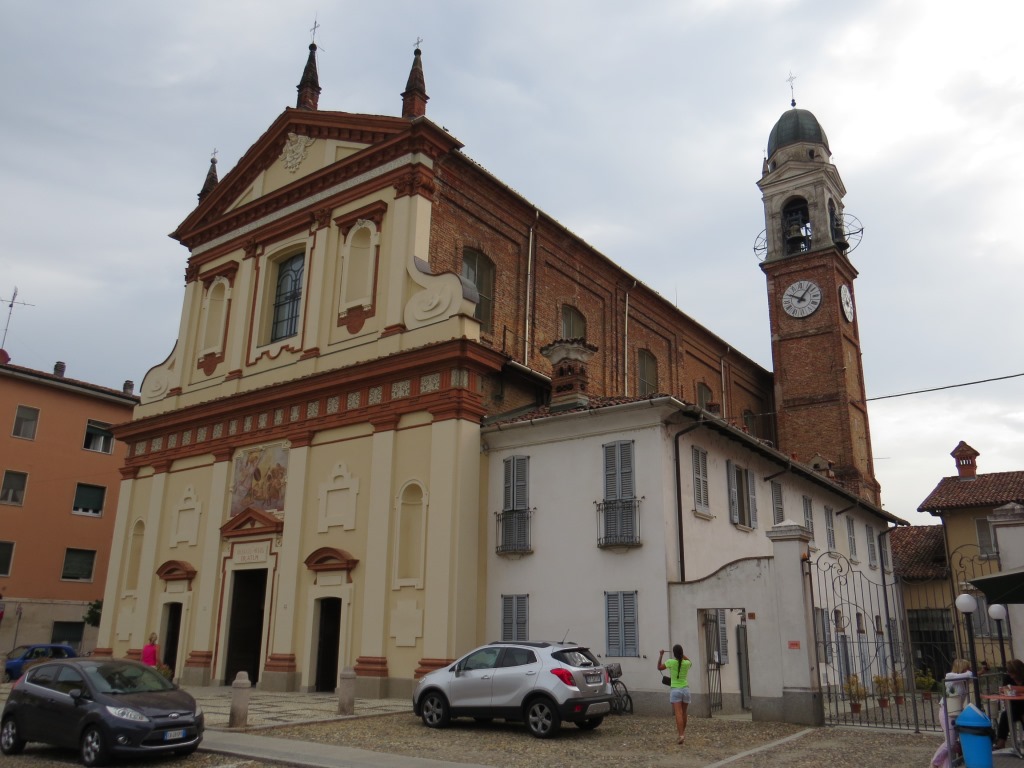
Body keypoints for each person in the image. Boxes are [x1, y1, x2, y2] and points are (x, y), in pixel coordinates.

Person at [930, 658, 971, 768]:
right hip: (946, 712)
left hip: (956, 713)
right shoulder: (951, 677)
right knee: (951, 742)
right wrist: (970, 673)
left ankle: (947, 765)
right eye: (966, 667)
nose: (968, 670)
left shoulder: (962, 681)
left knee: (952, 742)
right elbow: (967, 675)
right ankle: (935, 762)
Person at [658, 644, 692, 745]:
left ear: (674, 654)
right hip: (686, 689)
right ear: (681, 653)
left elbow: (659, 667)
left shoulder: (670, 662)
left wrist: (661, 655)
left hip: (675, 690)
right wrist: (682, 655)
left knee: (678, 713)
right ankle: (683, 733)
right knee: (684, 713)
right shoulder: (686, 663)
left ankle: (681, 735)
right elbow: (690, 661)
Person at [995, 658, 1024, 750]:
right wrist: (1004, 690)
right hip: (1014, 706)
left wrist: (1013, 688)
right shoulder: (1007, 678)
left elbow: (1011, 688)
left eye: (1012, 672)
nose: (1010, 675)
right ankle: (1001, 742)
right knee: (1005, 715)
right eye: (1009, 672)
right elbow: (1004, 689)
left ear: (1018, 671)